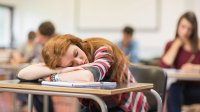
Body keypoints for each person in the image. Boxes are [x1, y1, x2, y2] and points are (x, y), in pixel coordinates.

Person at [18, 34, 148, 112]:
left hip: (127, 107)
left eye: (76, 53)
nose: (79, 62)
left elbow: (87, 77)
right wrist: (62, 70)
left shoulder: (103, 49)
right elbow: (23, 73)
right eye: (71, 64)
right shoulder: (65, 66)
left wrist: (51, 76)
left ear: (77, 43)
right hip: (98, 106)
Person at [160, 11, 200, 112]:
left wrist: (194, 67)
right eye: (183, 27)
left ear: (194, 30)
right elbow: (164, 65)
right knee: (173, 88)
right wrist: (177, 43)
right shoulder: (171, 44)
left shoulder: (198, 44)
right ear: (178, 26)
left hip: (197, 88)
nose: (185, 32)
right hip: (180, 89)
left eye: (189, 29)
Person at [17, 21, 56, 112]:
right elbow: (29, 57)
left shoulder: (55, 43)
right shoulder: (37, 43)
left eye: (42, 36)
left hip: (49, 73)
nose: (40, 38)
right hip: (39, 73)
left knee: (45, 95)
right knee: (27, 88)